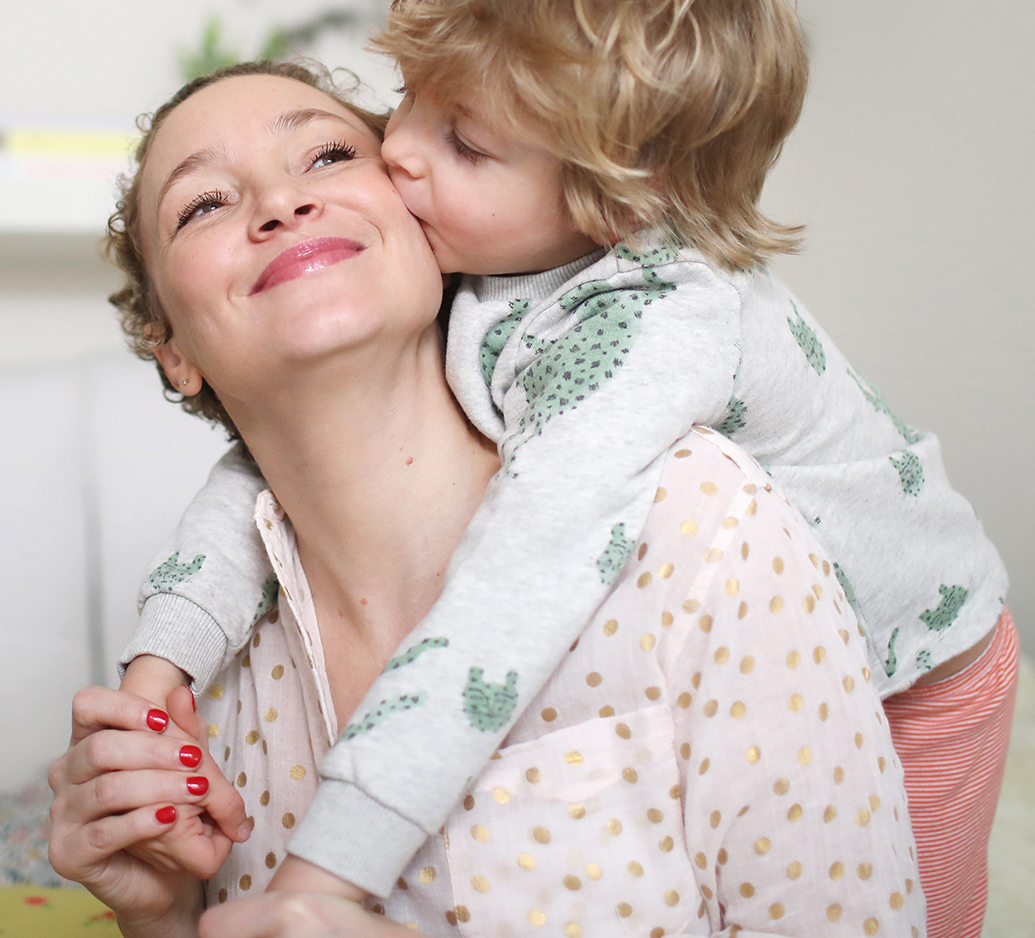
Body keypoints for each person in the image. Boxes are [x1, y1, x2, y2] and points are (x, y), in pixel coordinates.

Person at [115, 0, 1016, 937]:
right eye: (401, 102)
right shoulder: (484, 261)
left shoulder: (655, 364)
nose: (394, 154)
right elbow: (260, 479)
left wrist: (326, 872)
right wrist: (161, 661)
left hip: (925, 664)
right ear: (172, 347)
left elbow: (526, 565)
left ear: (611, 209)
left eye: (457, 141)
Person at [48, 64, 926, 936]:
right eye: (203, 204)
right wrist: (162, 913)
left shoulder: (701, 520)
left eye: (326, 155)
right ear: (171, 349)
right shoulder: (210, 689)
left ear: (424, 218)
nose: (280, 204)